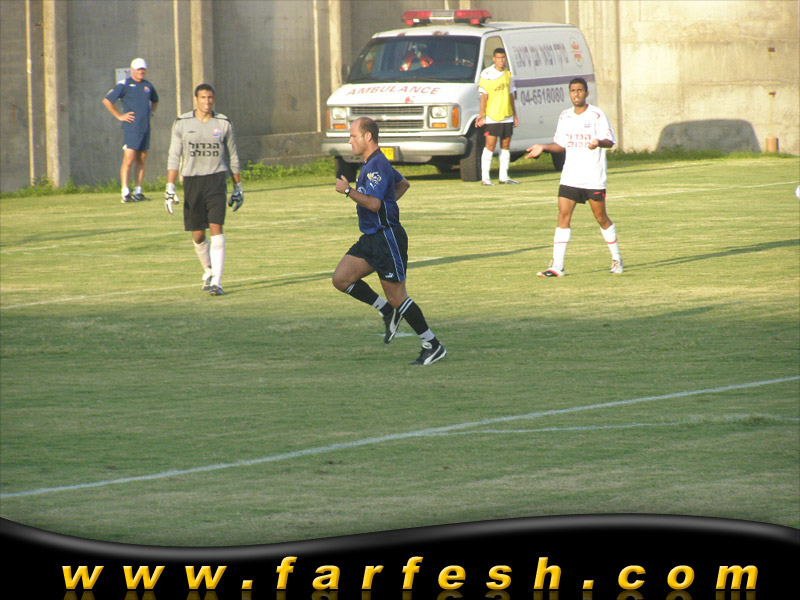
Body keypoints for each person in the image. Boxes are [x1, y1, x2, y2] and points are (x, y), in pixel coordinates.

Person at [333, 117, 446, 366]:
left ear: (368, 137)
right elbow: (402, 184)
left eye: (353, 136)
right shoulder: (373, 163)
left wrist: (348, 190)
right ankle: (386, 311)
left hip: (386, 238)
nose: (350, 141)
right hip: (371, 238)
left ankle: (432, 344)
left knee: (398, 297)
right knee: (341, 279)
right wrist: (388, 204)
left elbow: (374, 204)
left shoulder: (375, 166)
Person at [525, 77, 623, 276]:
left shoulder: (596, 115)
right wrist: (543, 147)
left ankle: (617, 259)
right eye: (573, 91)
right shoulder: (565, 116)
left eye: (580, 90)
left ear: (586, 93)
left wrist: (598, 142)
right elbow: (560, 145)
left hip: (593, 176)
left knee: (601, 217)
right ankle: (557, 266)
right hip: (570, 176)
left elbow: (610, 141)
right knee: (563, 216)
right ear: (569, 94)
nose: (576, 94)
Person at [165, 83, 243, 296]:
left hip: (216, 180)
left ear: (214, 100)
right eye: (203, 98)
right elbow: (174, 155)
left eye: (210, 98)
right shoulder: (182, 123)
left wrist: (237, 186)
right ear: (195, 100)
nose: (207, 102)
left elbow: (233, 155)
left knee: (216, 227)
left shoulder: (223, 123)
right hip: (192, 181)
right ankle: (208, 271)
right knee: (198, 235)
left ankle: (217, 282)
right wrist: (170, 186)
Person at [102, 57, 159, 203]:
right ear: (132, 70)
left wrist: (151, 113)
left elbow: (155, 100)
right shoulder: (124, 84)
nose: (141, 72)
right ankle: (125, 192)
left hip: (145, 128)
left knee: (142, 159)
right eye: (138, 69)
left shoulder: (148, 86)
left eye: (143, 69)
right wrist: (119, 116)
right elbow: (107, 100)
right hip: (131, 129)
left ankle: (138, 192)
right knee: (129, 159)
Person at [476, 47, 519, 186]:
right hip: (492, 116)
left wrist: (515, 115)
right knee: (490, 145)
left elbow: (511, 95)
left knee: (505, 146)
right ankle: (485, 178)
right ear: (494, 59)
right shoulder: (487, 74)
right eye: (498, 58)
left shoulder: (508, 74)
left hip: (507, 115)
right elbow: (484, 96)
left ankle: (504, 177)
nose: (501, 60)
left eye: (503, 58)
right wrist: (482, 114)